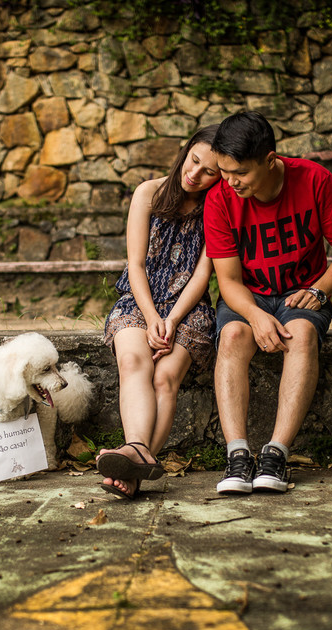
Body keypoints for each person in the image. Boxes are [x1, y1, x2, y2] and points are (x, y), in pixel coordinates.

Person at [204, 111, 332, 495]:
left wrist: (320, 290)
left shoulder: (315, 180)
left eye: (240, 172)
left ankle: (276, 455)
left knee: (301, 334)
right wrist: (256, 315)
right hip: (248, 295)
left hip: (302, 292)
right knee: (233, 336)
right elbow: (228, 280)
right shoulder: (219, 198)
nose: (230, 181)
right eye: (224, 171)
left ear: (270, 160)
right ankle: (237, 456)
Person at [96, 125, 222, 499]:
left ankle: (132, 462)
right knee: (133, 360)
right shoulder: (148, 193)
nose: (195, 174)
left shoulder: (216, 208)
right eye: (193, 160)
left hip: (188, 308)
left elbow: (202, 274)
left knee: (165, 377)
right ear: (185, 151)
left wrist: (172, 320)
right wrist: (152, 317)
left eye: (209, 172)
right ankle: (138, 454)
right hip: (139, 301)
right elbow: (135, 264)